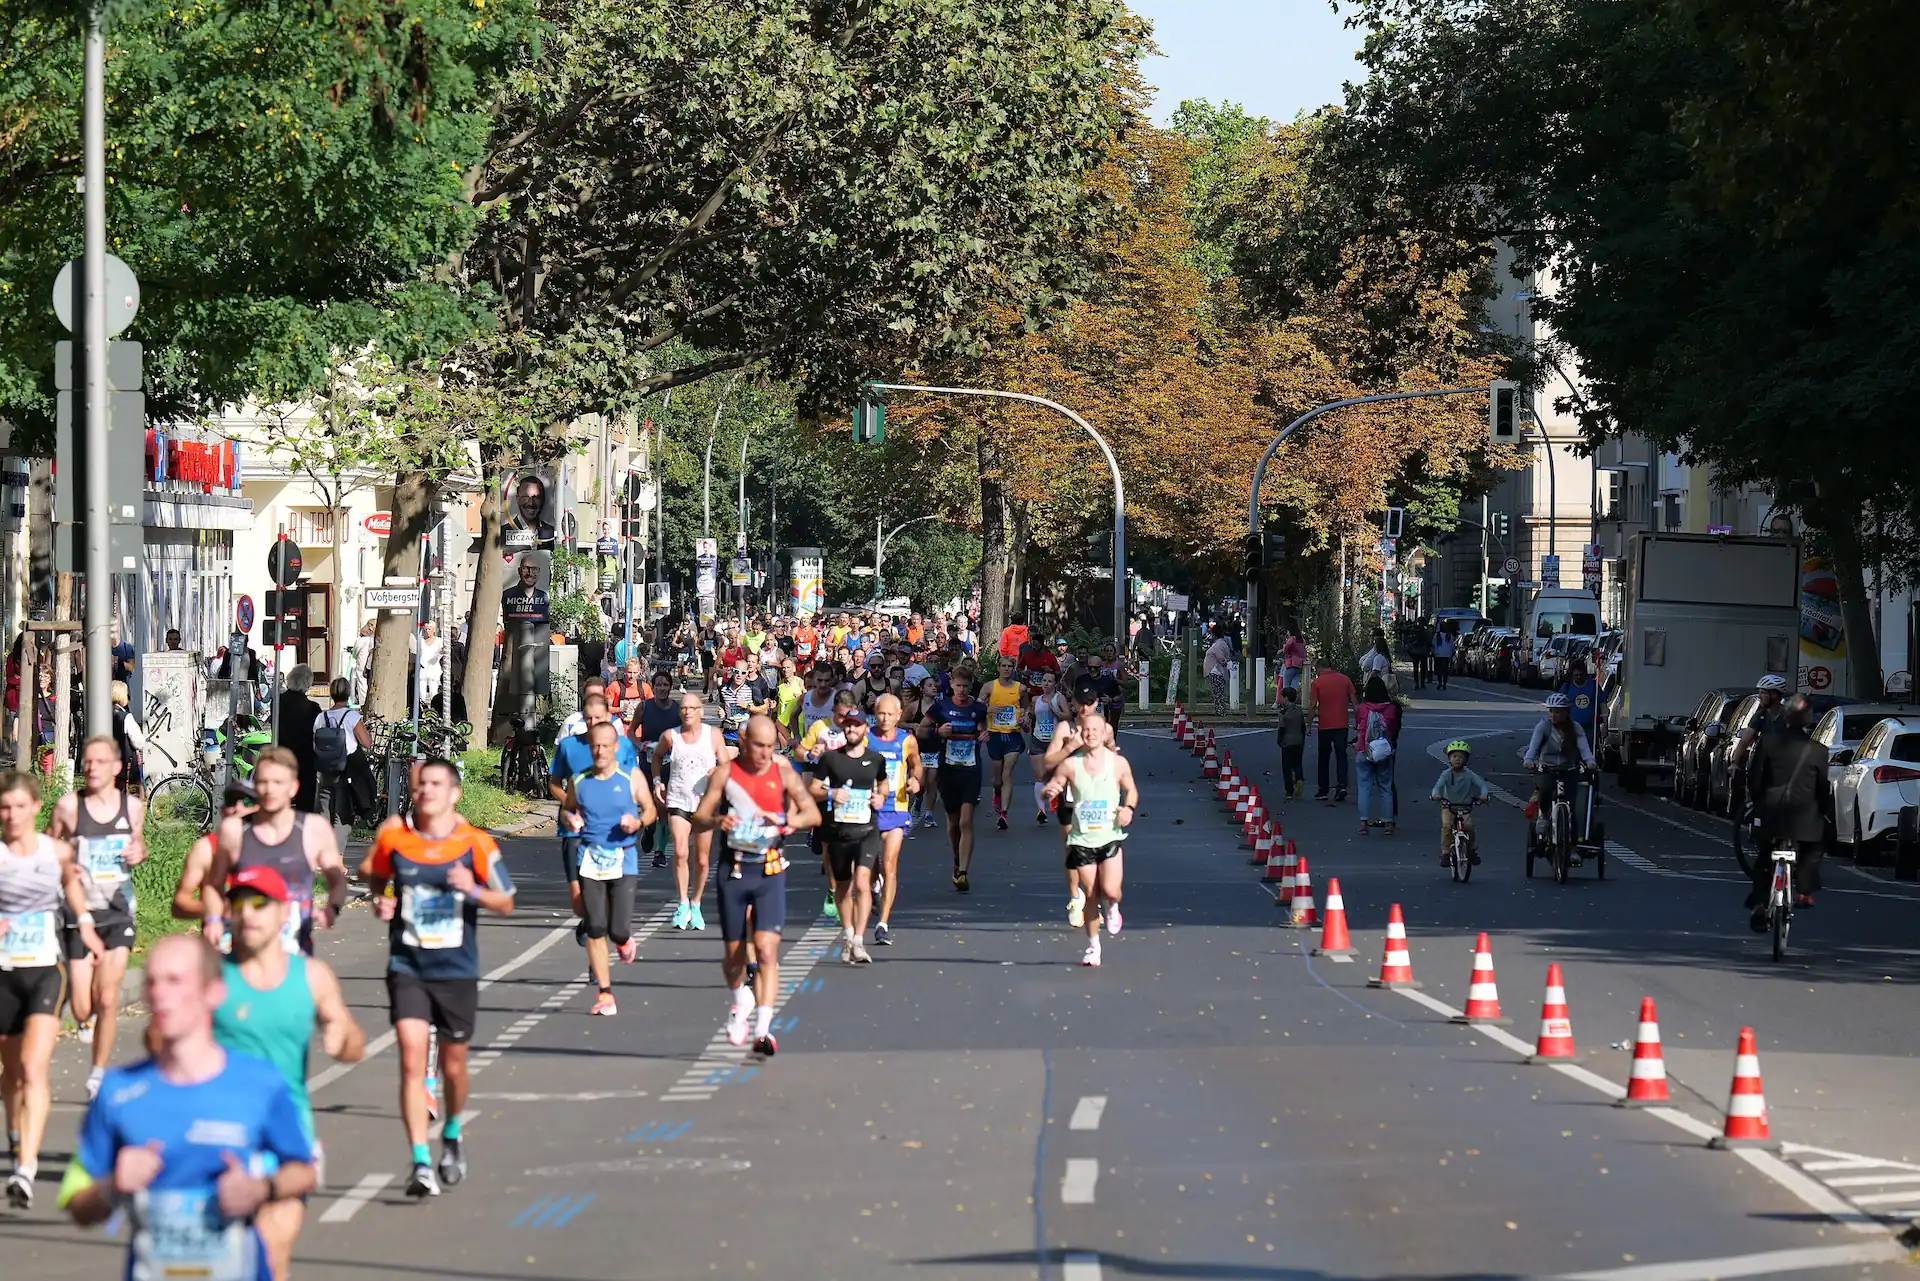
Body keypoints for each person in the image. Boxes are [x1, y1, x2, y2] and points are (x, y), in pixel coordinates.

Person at [60, 935, 317, 1269]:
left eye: (175, 981)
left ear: (213, 993)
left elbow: (303, 1171)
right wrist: (112, 1186)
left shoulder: (259, 1083)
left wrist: (261, 1190)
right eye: (151, 981)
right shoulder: (117, 1090)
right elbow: (76, 1203)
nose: (159, 994)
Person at [359, 759, 515, 1197]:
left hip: (456, 969)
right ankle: (420, 1162)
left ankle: (450, 1133)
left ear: (454, 794)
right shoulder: (394, 836)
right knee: (411, 1058)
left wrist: (472, 889)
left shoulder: (475, 843)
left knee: (453, 1066)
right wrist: (381, 899)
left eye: (436, 783)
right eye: (422, 782)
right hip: (408, 965)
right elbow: (371, 875)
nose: (426, 789)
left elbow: (506, 901)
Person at [213, 864, 366, 1276]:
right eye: (239, 902)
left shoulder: (311, 977)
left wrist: (342, 1036)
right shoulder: (209, 976)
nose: (247, 913)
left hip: (286, 1140)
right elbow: (160, 1045)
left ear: (285, 913)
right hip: (216, 1135)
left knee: (270, 1257)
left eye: (260, 903)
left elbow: (352, 1046)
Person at [690, 715, 821, 1055]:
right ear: (745, 742)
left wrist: (788, 820)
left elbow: (812, 814)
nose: (765, 753)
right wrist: (719, 819)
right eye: (758, 746)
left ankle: (763, 1030)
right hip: (733, 872)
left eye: (770, 746)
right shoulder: (726, 774)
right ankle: (740, 1003)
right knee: (734, 957)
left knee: (765, 951)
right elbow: (699, 817)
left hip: (769, 871)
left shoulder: (783, 773)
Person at [2, 772, 100, 1208]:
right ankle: (15, 1133)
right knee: (11, 1074)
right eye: (5, 808)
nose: (12, 815)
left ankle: (26, 1167)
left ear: (36, 808)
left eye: (20, 807)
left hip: (44, 970)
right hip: (3, 973)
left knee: (33, 1066)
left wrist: (86, 924)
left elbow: (71, 886)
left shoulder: (56, 851)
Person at [48, 736, 147, 1102]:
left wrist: (140, 852)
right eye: (87, 762)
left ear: (117, 768)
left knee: (107, 998)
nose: (92, 768)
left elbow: (139, 845)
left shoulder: (132, 808)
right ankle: (85, 1019)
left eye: (100, 762)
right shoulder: (67, 807)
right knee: (81, 1004)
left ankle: (98, 1073)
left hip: (119, 909)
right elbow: (49, 847)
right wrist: (62, 862)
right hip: (78, 912)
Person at [203, 748, 351, 962]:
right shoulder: (234, 831)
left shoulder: (313, 829)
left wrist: (332, 908)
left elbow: (336, 879)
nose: (269, 790)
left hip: (294, 956)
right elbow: (213, 884)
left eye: (278, 783)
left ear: (293, 788)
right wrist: (214, 919)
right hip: (243, 956)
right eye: (262, 782)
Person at [560, 721, 658, 1014]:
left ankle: (625, 940)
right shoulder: (579, 780)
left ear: (616, 747)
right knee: (595, 925)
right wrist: (570, 819)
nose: (599, 751)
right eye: (594, 746)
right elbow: (568, 808)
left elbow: (651, 809)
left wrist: (638, 821)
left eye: (605, 745)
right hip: (590, 858)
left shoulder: (631, 776)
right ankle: (605, 993)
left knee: (617, 930)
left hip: (623, 857)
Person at [1042, 716, 1136, 968]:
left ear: (1106, 733)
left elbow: (1131, 790)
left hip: (1110, 837)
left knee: (1110, 891)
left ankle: (1114, 906)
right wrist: (1049, 791)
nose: (1090, 734)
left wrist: (1128, 808)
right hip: (1081, 839)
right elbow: (1051, 784)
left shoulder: (1118, 763)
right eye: (1086, 730)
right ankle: (1094, 947)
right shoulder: (1071, 765)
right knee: (1092, 895)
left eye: (1096, 730)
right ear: (1080, 733)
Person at [810, 693, 885, 964]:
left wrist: (881, 797)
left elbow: (883, 783)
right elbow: (813, 790)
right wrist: (831, 793)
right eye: (848, 725)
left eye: (857, 725)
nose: (852, 729)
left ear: (865, 728)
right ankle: (848, 931)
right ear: (844, 728)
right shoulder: (831, 760)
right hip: (838, 829)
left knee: (863, 883)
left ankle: (858, 939)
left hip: (866, 830)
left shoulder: (876, 759)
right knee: (843, 886)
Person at [1744, 693, 1829, 928]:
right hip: (1805, 818)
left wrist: (1757, 804)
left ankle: (1760, 906)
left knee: (1763, 860)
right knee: (1812, 848)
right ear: (1808, 718)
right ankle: (1804, 891)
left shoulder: (1769, 743)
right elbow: (1822, 789)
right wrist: (1823, 811)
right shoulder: (1818, 751)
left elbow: (1755, 780)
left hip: (1771, 814)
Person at [654, 692, 728, 930]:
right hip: (678, 800)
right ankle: (682, 902)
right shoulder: (670, 736)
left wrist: (715, 774)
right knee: (681, 851)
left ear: (700, 711)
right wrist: (657, 781)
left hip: (705, 804)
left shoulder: (713, 735)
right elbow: (656, 756)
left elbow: (726, 765)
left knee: (703, 860)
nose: (687, 712)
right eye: (684, 708)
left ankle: (696, 903)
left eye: (692, 708)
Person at [864, 693, 922, 947]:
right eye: (881, 713)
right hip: (868, 808)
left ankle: (882, 924)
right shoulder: (866, 738)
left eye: (890, 714)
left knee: (889, 865)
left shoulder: (906, 740)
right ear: (875, 714)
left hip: (896, 808)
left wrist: (915, 781)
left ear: (900, 715)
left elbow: (917, 765)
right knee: (871, 867)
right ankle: (874, 886)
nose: (885, 718)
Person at [926, 669, 987, 892]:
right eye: (958, 686)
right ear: (952, 685)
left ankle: (963, 872)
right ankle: (956, 857)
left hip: (971, 770)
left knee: (966, 821)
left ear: (971, 686)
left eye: (965, 686)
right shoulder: (941, 707)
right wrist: (937, 731)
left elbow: (983, 726)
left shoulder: (978, 708)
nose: (961, 690)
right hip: (948, 770)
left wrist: (984, 733)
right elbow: (922, 731)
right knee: (953, 824)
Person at [172, 781, 261, 929]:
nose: (238, 808)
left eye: (247, 802)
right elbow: (179, 904)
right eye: (232, 802)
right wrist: (214, 911)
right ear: (222, 810)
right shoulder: (205, 848)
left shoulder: (273, 847)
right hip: (220, 943)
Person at [1523, 692, 1598, 852]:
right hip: (1547, 769)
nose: (1553, 715)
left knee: (1571, 808)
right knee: (1544, 790)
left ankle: (1572, 849)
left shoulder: (1575, 728)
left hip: (1569, 770)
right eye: (1551, 711)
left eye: (1558, 711)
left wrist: (1590, 762)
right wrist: (1529, 760)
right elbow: (1533, 747)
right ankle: (1544, 816)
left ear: (1566, 713)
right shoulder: (1543, 727)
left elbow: (1584, 748)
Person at [313, 676, 374, 829]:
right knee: (342, 813)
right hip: (347, 769)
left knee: (324, 809)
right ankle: (337, 851)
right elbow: (366, 743)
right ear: (348, 693)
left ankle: (321, 846)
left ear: (332, 694)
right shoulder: (352, 716)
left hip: (326, 769)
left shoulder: (321, 717)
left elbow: (314, 744)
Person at [982, 661, 1028, 831]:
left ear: (1013, 668)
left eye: (1010, 666)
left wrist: (1024, 717)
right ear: (998, 668)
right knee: (997, 779)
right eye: (1003, 666)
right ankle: (997, 792)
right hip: (995, 735)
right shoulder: (989, 687)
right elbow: (977, 707)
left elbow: (1025, 707)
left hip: (1013, 736)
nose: (1007, 669)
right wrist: (988, 709)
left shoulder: (1020, 688)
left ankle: (1004, 812)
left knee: (1007, 773)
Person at [1353, 676, 1400, 835]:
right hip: (1384, 751)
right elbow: (1392, 729)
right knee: (1385, 787)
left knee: (1364, 786)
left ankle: (1363, 822)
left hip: (1363, 749)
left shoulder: (1362, 708)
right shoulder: (1391, 709)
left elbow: (1359, 726)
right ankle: (1388, 823)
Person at [1430, 740, 1489, 866]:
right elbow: (1438, 786)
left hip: (1464, 806)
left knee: (1470, 827)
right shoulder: (1446, 774)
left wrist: (1483, 794)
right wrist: (1436, 794)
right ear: (1449, 759)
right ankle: (1445, 853)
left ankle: (1472, 849)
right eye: (1454, 757)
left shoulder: (1469, 774)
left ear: (1466, 760)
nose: (1457, 759)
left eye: (1461, 757)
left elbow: (1481, 784)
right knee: (1447, 825)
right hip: (1449, 806)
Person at [1306, 662, 1356, 803]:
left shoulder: (1317, 682)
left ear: (1319, 668)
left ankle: (1323, 789)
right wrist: (1359, 722)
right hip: (1341, 724)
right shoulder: (1345, 679)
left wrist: (1308, 724)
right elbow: (1354, 702)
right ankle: (1342, 785)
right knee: (1341, 755)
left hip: (1325, 725)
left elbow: (1312, 705)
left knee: (1323, 757)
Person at [275, 662, 321, 812]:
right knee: (305, 800)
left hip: (282, 755)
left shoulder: (278, 702)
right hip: (305, 759)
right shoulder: (313, 708)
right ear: (307, 683)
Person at [1026, 671, 1068, 823]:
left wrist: (1054, 709)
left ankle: (1057, 799)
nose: (1046, 683)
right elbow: (1030, 715)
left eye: (1050, 681)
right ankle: (1041, 810)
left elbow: (1067, 716)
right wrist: (1024, 720)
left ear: (1055, 684)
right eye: (1044, 680)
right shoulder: (1035, 699)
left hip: (1055, 742)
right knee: (1040, 776)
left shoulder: (1059, 698)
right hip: (1038, 740)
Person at [1276, 687, 1307, 800]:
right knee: (1297, 763)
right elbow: (1303, 727)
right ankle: (1299, 778)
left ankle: (1289, 790)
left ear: (1286, 698)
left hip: (1287, 742)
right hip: (1299, 741)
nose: (1280, 699)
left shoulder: (1283, 712)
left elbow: (1282, 728)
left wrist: (1279, 740)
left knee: (1287, 767)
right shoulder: (1299, 711)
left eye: (1281, 697)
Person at [1560, 659, 1599, 740]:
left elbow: (1602, 705)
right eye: (1576, 675)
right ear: (1572, 675)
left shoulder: (1593, 686)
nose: (1578, 677)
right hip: (1571, 729)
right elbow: (1560, 707)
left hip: (1590, 729)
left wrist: (1605, 723)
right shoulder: (1567, 687)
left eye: (1581, 675)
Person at [1203, 626, 1234, 715]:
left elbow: (1220, 656)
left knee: (1218, 691)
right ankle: (1219, 710)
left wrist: (1223, 662)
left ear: (1214, 634)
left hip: (1216, 671)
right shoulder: (1221, 643)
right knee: (1218, 691)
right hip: (1217, 670)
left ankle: (1220, 710)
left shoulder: (1218, 645)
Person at [415, 620, 446, 708]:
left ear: (434, 630)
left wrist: (442, 652)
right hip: (423, 668)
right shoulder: (420, 640)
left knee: (433, 690)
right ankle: (422, 708)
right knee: (421, 691)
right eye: (426, 629)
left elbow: (443, 652)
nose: (427, 631)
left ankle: (434, 708)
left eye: (429, 629)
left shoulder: (439, 641)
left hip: (434, 668)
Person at [1280, 627, 1307, 694]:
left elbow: (1285, 649)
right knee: (1294, 685)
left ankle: (1286, 701)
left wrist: (1283, 648)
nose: (1287, 633)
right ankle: (1292, 701)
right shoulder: (1302, 640)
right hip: (1299, 665)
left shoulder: (1292, 639)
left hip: (1291, 664)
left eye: (1288, 631)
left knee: (1286, 685)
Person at [1408, 623, 1433, 690]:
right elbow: (1430, 642)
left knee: (1416, 668)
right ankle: (1422, 682)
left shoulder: (1414, 631)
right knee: (1423, 668)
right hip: (1423, 652)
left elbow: (1409, 641)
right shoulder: (1426, 632)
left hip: (1415, 652)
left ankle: (1417, 682)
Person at [1431, 625, 1455, 690]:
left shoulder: (1436, 635)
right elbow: (1452, 646)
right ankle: (1444, 684)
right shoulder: (1450, 635)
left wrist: (1433, 652)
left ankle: (1440, 683)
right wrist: (1452, 653)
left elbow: (1433, 645)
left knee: (1439, 670)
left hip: (1438, 654)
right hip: (1447, 655)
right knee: (1445, 670)